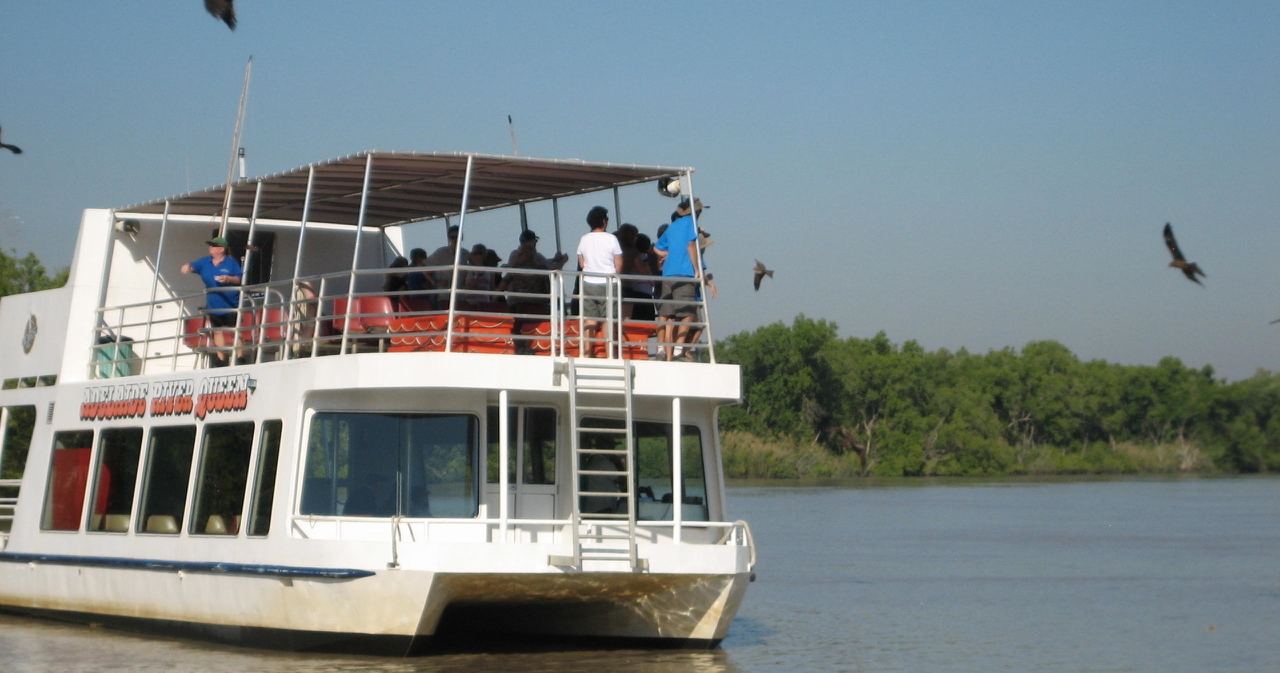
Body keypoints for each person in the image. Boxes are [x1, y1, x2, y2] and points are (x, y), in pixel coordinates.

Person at [653, 198, 706, 361]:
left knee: (666, 314)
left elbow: (656, 248)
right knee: (688, 313)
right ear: (695, 212)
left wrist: (667, 255)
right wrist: (696, 268)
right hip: (684, 274)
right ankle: (678, 349)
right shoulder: (691, 223)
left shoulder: (672, 226)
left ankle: (662, 349)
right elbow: (691, 245)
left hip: (667, 275)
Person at [181, 235, 243, 367]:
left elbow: (238, 279)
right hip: (214, 304)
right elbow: (192, 265)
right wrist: (187, 267)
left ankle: (240, 357)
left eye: (213, 246)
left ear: (221, 249)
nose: (210, 247)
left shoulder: (231, 263)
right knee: (217, 331)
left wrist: (227, 279)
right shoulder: (205, 262)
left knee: (235, 331)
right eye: (210, 245)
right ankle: (222, 360)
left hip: (230, 304)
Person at [576, 206, 622, 357]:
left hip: (589, 282)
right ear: (604, 221)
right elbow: (619, 263)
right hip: (609, 282)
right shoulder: (611, 239)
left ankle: (587, 353)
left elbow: (582, 263)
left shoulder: (584, 239)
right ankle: (610, 354)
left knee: (590, 320)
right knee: (608, 320)